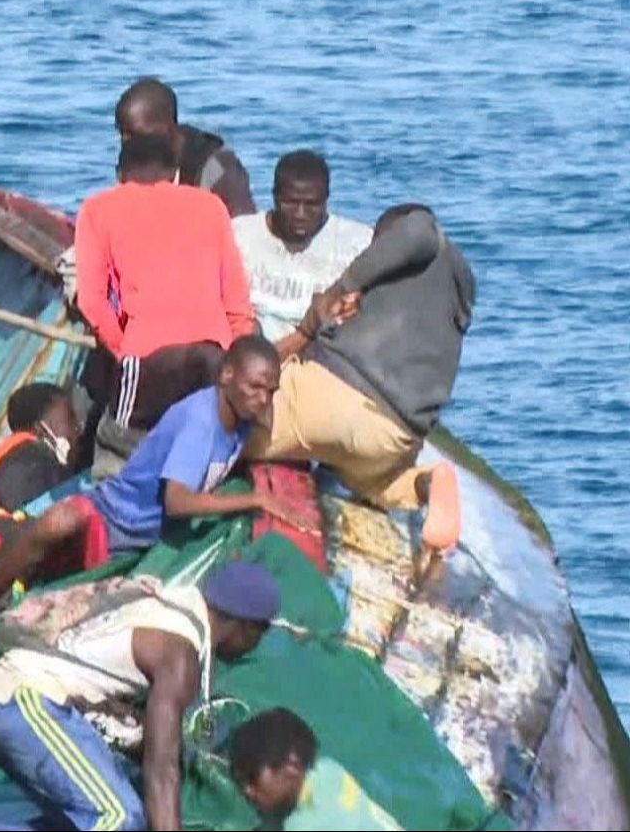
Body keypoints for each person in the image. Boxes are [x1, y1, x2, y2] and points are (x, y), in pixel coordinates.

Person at [0, 336, 305, 627]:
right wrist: (257, 500)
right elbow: (178, 502)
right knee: (59, 523)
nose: (263, 400)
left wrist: (307, 330)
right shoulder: (200, 424)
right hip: (115, 522)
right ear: (226, 376)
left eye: (270, 391)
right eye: (255, 388)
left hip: (147, 536)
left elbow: (262, 365)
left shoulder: (240, 411)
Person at [0, 562, 282, 831]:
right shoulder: (180, 653)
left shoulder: (168, 605)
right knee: (119, 817)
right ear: (246, 625)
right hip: (27, 697)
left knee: (95, 816)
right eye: (262, 631)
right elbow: (162, 768)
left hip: (16, 702)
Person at [247, 203, 475, 555]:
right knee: (384, 486)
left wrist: (340, 289)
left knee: (233, 427)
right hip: (393, 436)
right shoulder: (458, 291)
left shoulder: (423, 232)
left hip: (334, 394)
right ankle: (427, 483)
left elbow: (417, 230)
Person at [75, 134, 256, 434]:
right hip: (213, 353)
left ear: (119, 175)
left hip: (147, 355)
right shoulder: (211, 206)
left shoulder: (97, 209)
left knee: (123, 444)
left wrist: (123, 351)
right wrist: (233, 355)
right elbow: (237, 300)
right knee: (206, 441)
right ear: (176, 174)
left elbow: (91, 301)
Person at [231, 150, 371, 357]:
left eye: (311, 204)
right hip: (250, 354)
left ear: (326, 199)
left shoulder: (358, 244)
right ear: (274, 197)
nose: (300, 214)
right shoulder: (238, 235)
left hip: (325, 356)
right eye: (290, 203)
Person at [230, 709, 403, 831]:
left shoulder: (306, 825)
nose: (247, 790)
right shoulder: (327, 770)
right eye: (241, 781)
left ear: (292, 766)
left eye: (252, 777)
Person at [114, 77, 255, 217]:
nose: (127, 145)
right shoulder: (134, 167)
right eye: (122, 135)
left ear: (170, 131)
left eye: (138, 136)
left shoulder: (218, 168)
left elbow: (242, 225)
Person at [0, 383, 80, 516]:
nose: (77, 426)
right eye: (69, 418)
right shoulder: (32, 460)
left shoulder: (14, 453)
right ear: (42, 428)